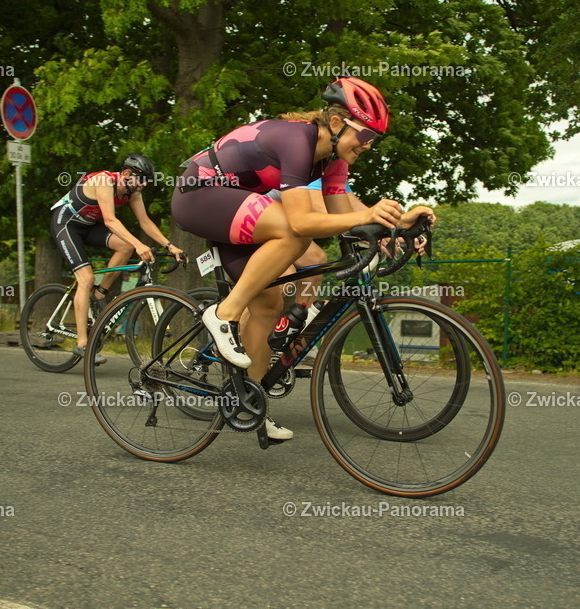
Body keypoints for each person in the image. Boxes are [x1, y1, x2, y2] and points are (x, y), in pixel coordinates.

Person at [171, 77, 435, 440]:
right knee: (295, 231)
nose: (370, 146)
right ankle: (223, 314)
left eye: (376, 139)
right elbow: (300, 221)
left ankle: (249, 402)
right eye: (367, 136)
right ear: (339, 123)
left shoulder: (333, 162)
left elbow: (346, 223)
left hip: (240, 209)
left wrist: (402, 223)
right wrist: (368, 214)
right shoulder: (297, 139)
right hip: (199, 196)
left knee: (268, 304)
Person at [50, 154, 185, 361]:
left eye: (147, 180)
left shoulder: (133, 192)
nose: (144, 184)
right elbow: (111, 220)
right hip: (67, 224)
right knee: (85, 279)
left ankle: (101, 293)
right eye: (141, 179)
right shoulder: (104, 181)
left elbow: (145, 222)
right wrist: (139, 244)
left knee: (124, 247)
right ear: (125, 174)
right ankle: (82, 344)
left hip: (88, 226)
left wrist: (170, 245)